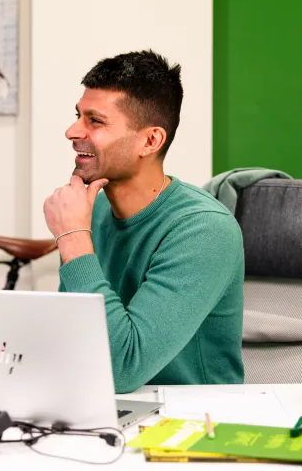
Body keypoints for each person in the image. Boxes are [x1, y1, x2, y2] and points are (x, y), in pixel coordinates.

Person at [42, 50, 245, 393]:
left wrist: (73, 238)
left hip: (191, 422)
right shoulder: (95, 209)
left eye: (95, 120)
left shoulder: (205, 230)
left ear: (150, 141)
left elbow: (122, 369)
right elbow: (73, 337)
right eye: (78, 115)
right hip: (104, 407)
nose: (72, 131)